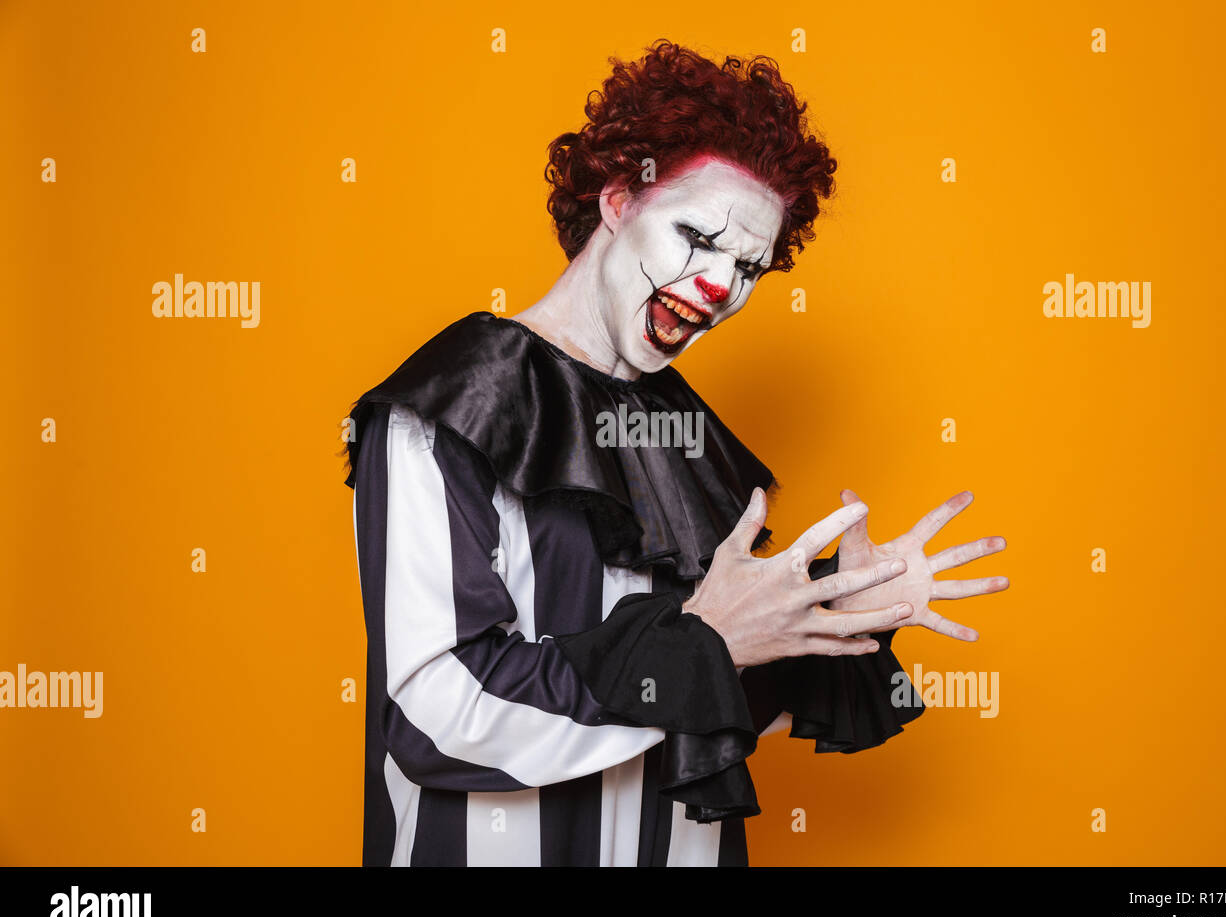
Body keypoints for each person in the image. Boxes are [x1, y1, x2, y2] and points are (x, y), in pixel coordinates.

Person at [342, 39, 1009, 867]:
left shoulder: (686, 438)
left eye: (749, 268)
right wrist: (703, 646)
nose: (720, 287)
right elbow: (436, 715)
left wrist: (833, 613)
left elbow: (716, 706)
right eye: (698, 237)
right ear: (618, 198)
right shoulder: (450, 407)